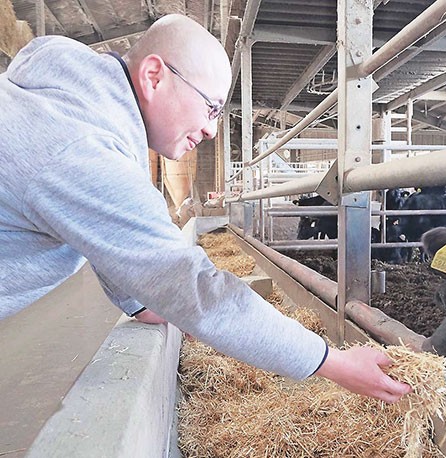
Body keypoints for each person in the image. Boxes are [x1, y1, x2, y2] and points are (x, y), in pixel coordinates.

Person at [0, 14, 411, 403]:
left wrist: (141, 300)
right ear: (154, 76)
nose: (213, 129)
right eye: (210, 107)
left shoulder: (68, 106)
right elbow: (195, 288)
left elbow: (110, 239)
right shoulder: (81, 149)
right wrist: (332, 361)